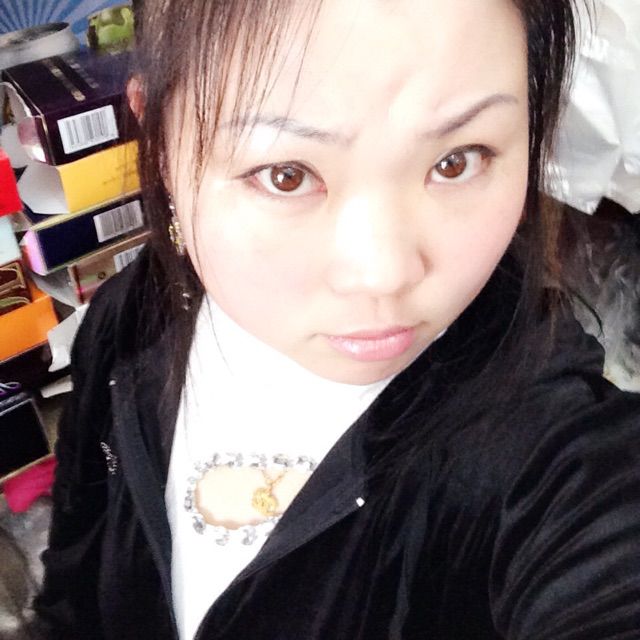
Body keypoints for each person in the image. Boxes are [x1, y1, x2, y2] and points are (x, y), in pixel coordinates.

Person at [35, 0, 640, 638]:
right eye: (287, 175)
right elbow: (69, 599)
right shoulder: (129, 320)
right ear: (160, 146)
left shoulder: (552, 460)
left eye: (457, 161)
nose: (384, 274)